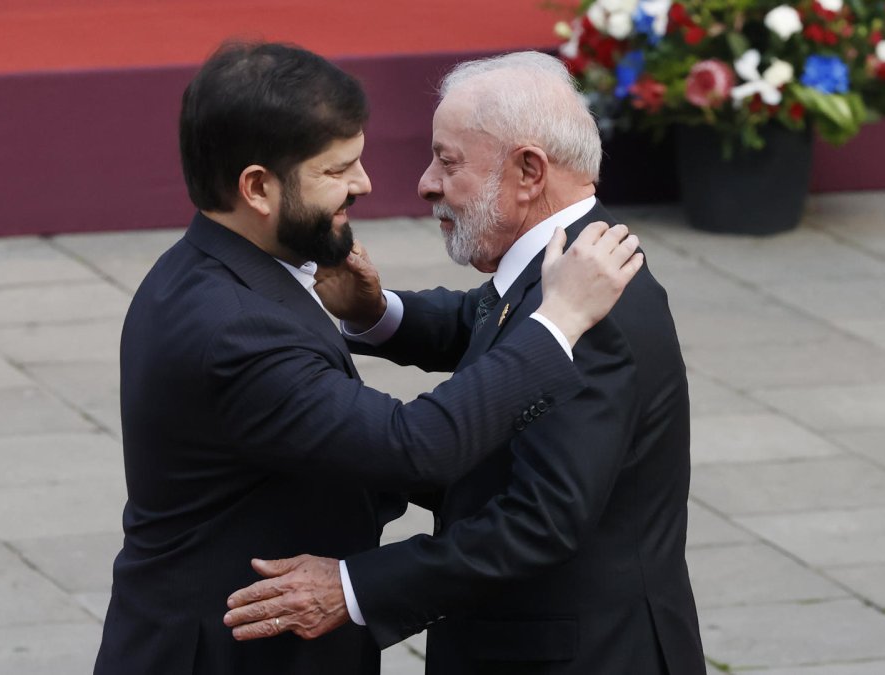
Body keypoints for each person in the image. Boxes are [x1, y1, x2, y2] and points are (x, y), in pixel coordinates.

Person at [93, 42, 645, 674]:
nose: (364, 184)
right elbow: (412, 446)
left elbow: (467, 337)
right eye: (336, 171)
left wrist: (374, 312)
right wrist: (559, 321)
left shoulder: (216, 272)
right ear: (257, 188)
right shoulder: (233, 328)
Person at [224, 51, 706, 674]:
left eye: (447, 162)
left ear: (528, 170)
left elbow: (539, 521)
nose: (426, 183)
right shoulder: (562, 264)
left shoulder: (591, 306)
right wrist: (375, 310)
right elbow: (482, 320)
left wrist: (350, 589)